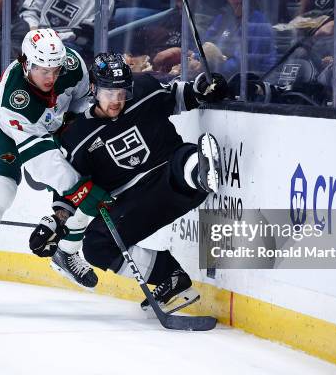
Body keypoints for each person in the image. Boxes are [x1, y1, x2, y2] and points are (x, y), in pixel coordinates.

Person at [29, 53, 228, 314]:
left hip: (174, 180)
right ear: (93, 89)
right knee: (95, 247)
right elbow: (71, 189)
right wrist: (56, 220)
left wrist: (204, 87)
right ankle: (171, 278)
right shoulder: (77, 137)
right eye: (109, 93)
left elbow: (182, 95)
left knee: (182, 158)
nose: (117, 100)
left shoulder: (145, 90)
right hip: (136, 202)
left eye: (122, 92)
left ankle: (200, 171)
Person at [0, 29, 95, 315]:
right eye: (42, 69)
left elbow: (81, 104)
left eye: (55, 69)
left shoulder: (74, 65)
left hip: (53, 127)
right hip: (0, 130)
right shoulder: (13, 98)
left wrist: (80, 136)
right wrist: (83, 191)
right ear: (26, 63)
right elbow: (44, 164)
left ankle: (67, 252)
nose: (50, 77)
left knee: (89, 171)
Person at [19, 0, 114, 61]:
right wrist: (34, 30)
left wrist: (49, 39)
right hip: (36, 37)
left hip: (71, 45)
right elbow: (28, 11)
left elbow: (86, 33)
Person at [200, 0, 277, 78]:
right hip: (220, 77)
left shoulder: (259, 23)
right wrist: (196, 59)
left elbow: (244, 64)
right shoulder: (221, 18)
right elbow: (203, 44)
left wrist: (208, 68)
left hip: (251, 84)